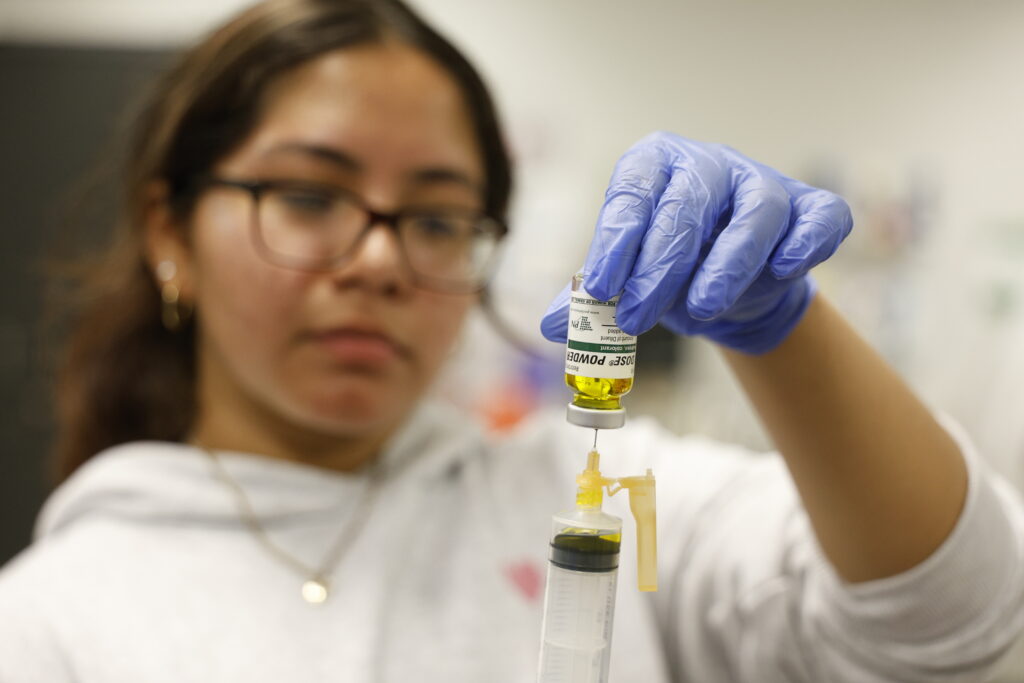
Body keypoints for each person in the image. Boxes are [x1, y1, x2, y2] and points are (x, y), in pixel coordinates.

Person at [0, 0, 1022, 681]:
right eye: (309, 196)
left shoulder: (609, 490)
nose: (380, 260)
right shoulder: (51, 617)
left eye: (437, 215)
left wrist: (782, 332)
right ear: (170, 231)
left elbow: (958, 625)